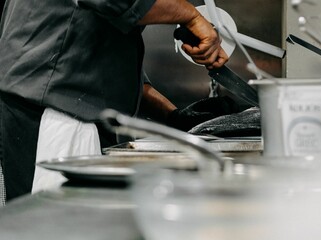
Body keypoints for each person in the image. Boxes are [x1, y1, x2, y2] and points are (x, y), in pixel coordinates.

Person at [0, 0, 231, 202]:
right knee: (54, 227)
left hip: (61, 106)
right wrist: (190, 15)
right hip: (55, 112)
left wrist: (172, 115)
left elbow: (107, 59)